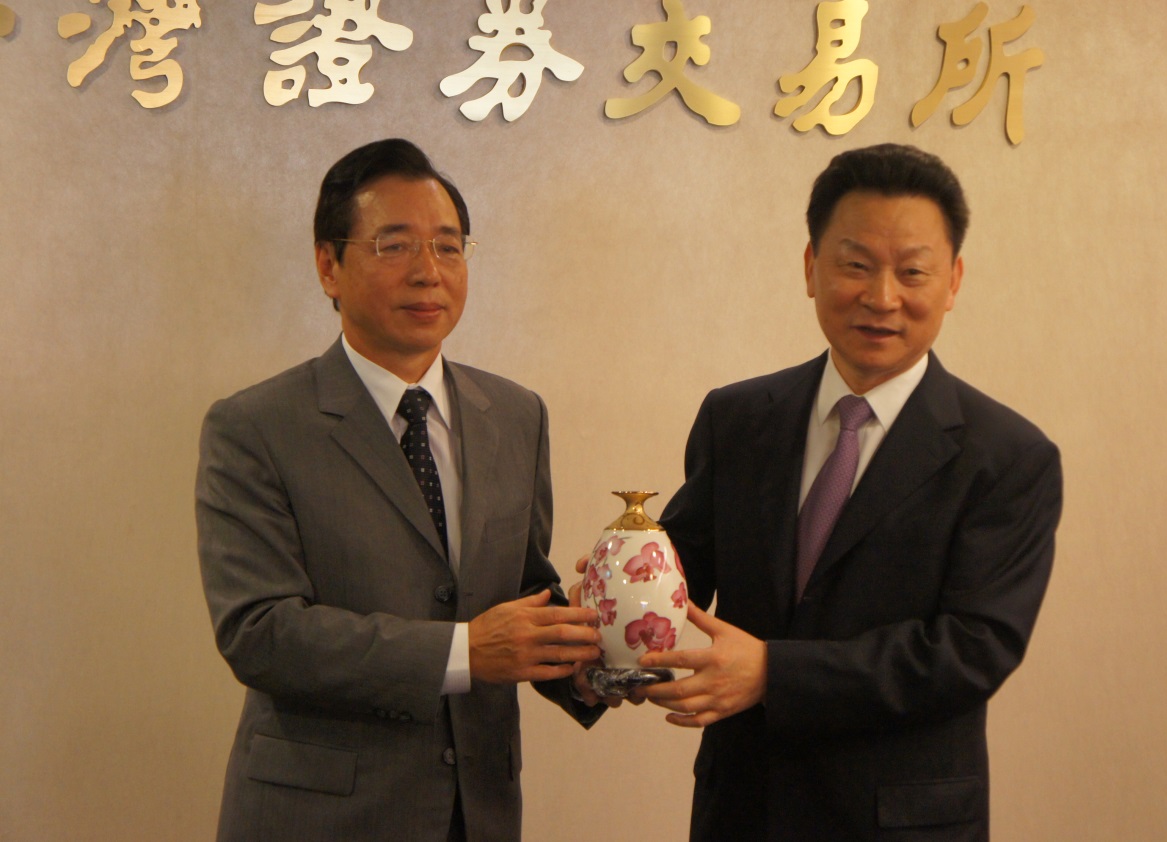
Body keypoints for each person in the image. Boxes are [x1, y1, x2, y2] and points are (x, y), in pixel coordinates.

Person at [636, 143, 1063, 841]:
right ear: (811, 267)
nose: (882, 297)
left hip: (900, 824)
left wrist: (775, 672)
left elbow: (972, 649)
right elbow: (678, 570)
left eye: (912, 271)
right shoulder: (737, 418)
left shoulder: (1008, 457)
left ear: (953, 281)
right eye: (856, 265)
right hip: (743, 811)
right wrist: (608, 618)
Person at [195, 138, 602, 842]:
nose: (428, 272)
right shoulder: (255, 426)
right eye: (395, 245)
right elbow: (260, 633)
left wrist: (592, 661)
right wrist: (463, 652)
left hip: (477, 813)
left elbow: (522, 594)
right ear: (328, 265)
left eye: (448, 247)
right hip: (320, 818)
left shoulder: (516, 415)